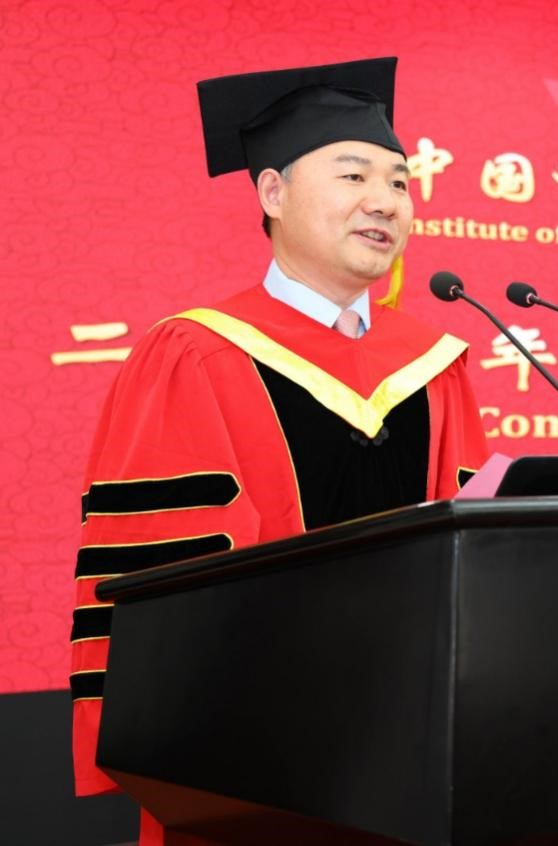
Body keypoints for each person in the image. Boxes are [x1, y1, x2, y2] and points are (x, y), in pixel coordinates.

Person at [69, 57, 488, 844]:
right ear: (272, 192)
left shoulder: (434, 366)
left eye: (400, 183)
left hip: (417, 746)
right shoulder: (195, 354)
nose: (384, 201)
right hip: (253, 760)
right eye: (353, 175)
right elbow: (160, 581)